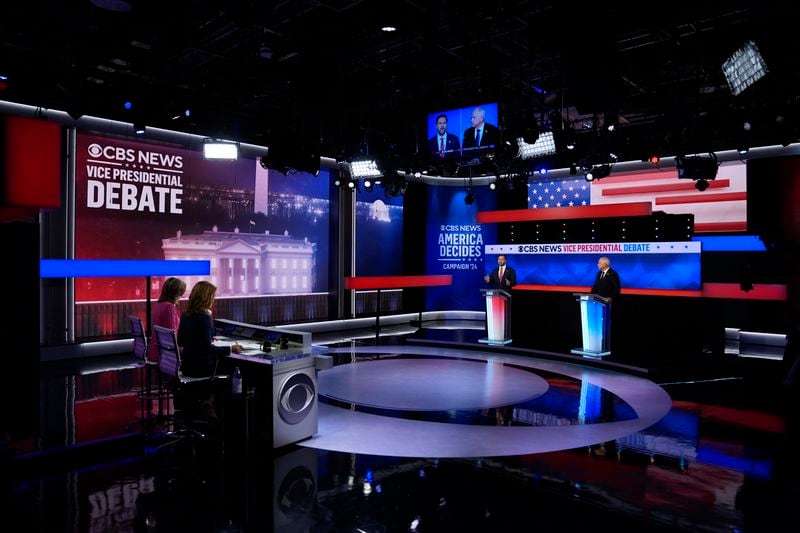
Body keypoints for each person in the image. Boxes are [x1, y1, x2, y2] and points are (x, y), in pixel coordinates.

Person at [178, 281, 238, 378]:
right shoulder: (204, 317)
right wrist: (231, 348)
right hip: (202, 369)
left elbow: (181, 341)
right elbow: (207, 349)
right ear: (206, 298)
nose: (213, 300)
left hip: (187, 367)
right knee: (237, 367)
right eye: (212, 296)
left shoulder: (185, 314)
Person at [147, 277, 186, 362]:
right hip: (165, 354)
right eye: (181, 293)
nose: (181, 296)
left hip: (155, 350)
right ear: (176, 293)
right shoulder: (169, 307)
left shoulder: (159, 304)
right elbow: (171, 334)